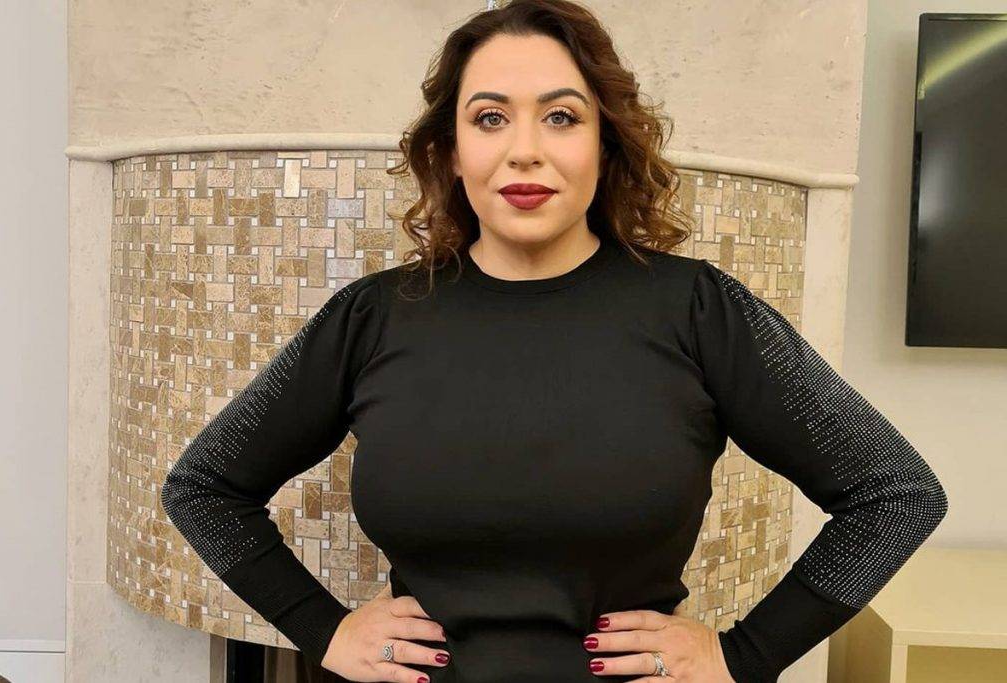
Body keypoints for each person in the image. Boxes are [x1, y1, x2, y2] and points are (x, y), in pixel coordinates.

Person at [161, 2, 949, 682]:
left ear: (605, 144)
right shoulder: (373, 316)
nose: (525, 149)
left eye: (562, 116)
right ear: (452, 151)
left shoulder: (699, 309)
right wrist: (322, 627)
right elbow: (204, 487)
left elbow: (896, 494)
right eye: (490, 117)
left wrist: (746, 654)